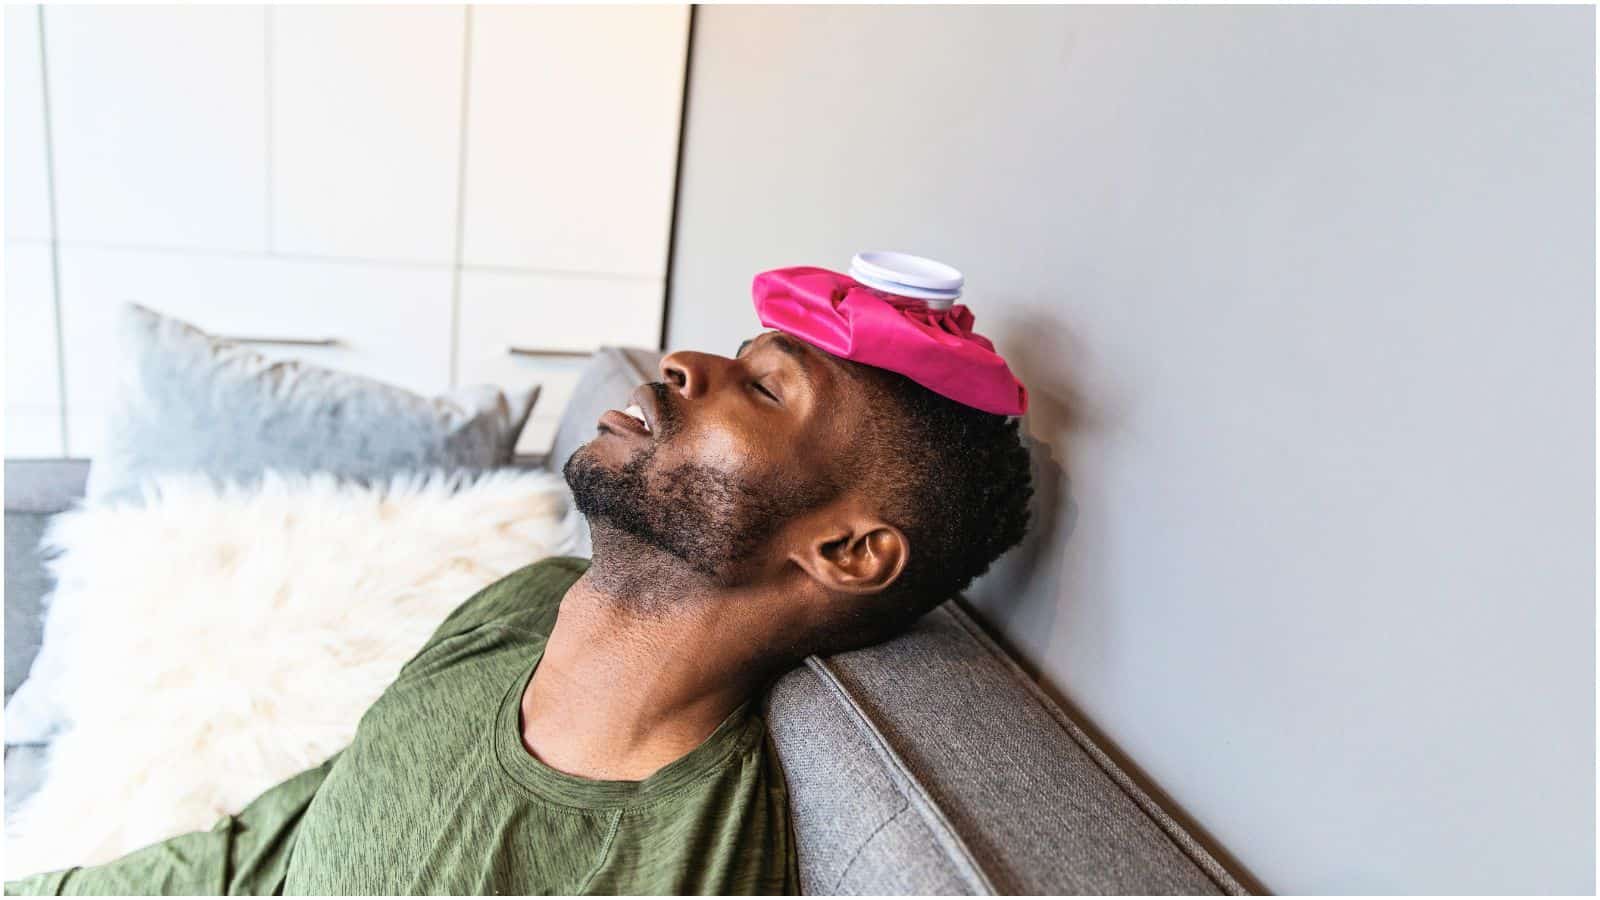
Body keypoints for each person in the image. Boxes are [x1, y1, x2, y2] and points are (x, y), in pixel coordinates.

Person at [5, 329, 1033, 896]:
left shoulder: (678, 869)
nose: (684, 366)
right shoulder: (525, 605)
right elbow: (270, 842)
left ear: (847, 552)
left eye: (764, 392)